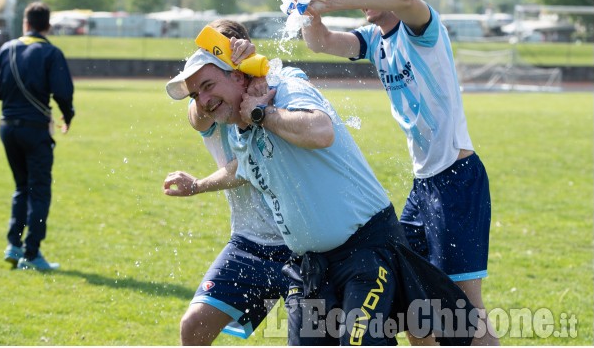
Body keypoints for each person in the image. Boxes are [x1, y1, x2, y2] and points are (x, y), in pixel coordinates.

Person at [162, 45, 479, 345]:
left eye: (207, 85)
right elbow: (237, 166)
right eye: (195, 94)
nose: (202, 99)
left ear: (236, 75)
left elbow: (321, 131)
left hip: (365, 251)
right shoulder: (238, 132)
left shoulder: (286, 89)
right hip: (310, 266)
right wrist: (201, 184)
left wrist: (263, 113)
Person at [299, 0, 498, 345]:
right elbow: (319, 43)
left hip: (457, 181)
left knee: (464, 308)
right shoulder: (375, 40)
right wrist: (307, 12)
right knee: (411, 303)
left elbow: (404, 4)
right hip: (423, 188)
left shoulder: (420, 27)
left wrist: (334, 0)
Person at [174, 19, 308, 345]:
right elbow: (198, 115)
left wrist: (255, 76)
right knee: (194, 326)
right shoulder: (208, 102)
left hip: (304, 245)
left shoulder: (275, 86)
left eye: (228, 53)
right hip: (250, 243)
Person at [0, 2, 75, 271]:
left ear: (25, 23)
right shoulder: (51, 53)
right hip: (35, 129)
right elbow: (62, 91)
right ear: (47, 26)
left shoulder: (6, 49)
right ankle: (31, 253)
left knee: (21, 187)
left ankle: (13, 244)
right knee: (39, 191)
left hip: (7, 127)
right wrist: (67, 115)